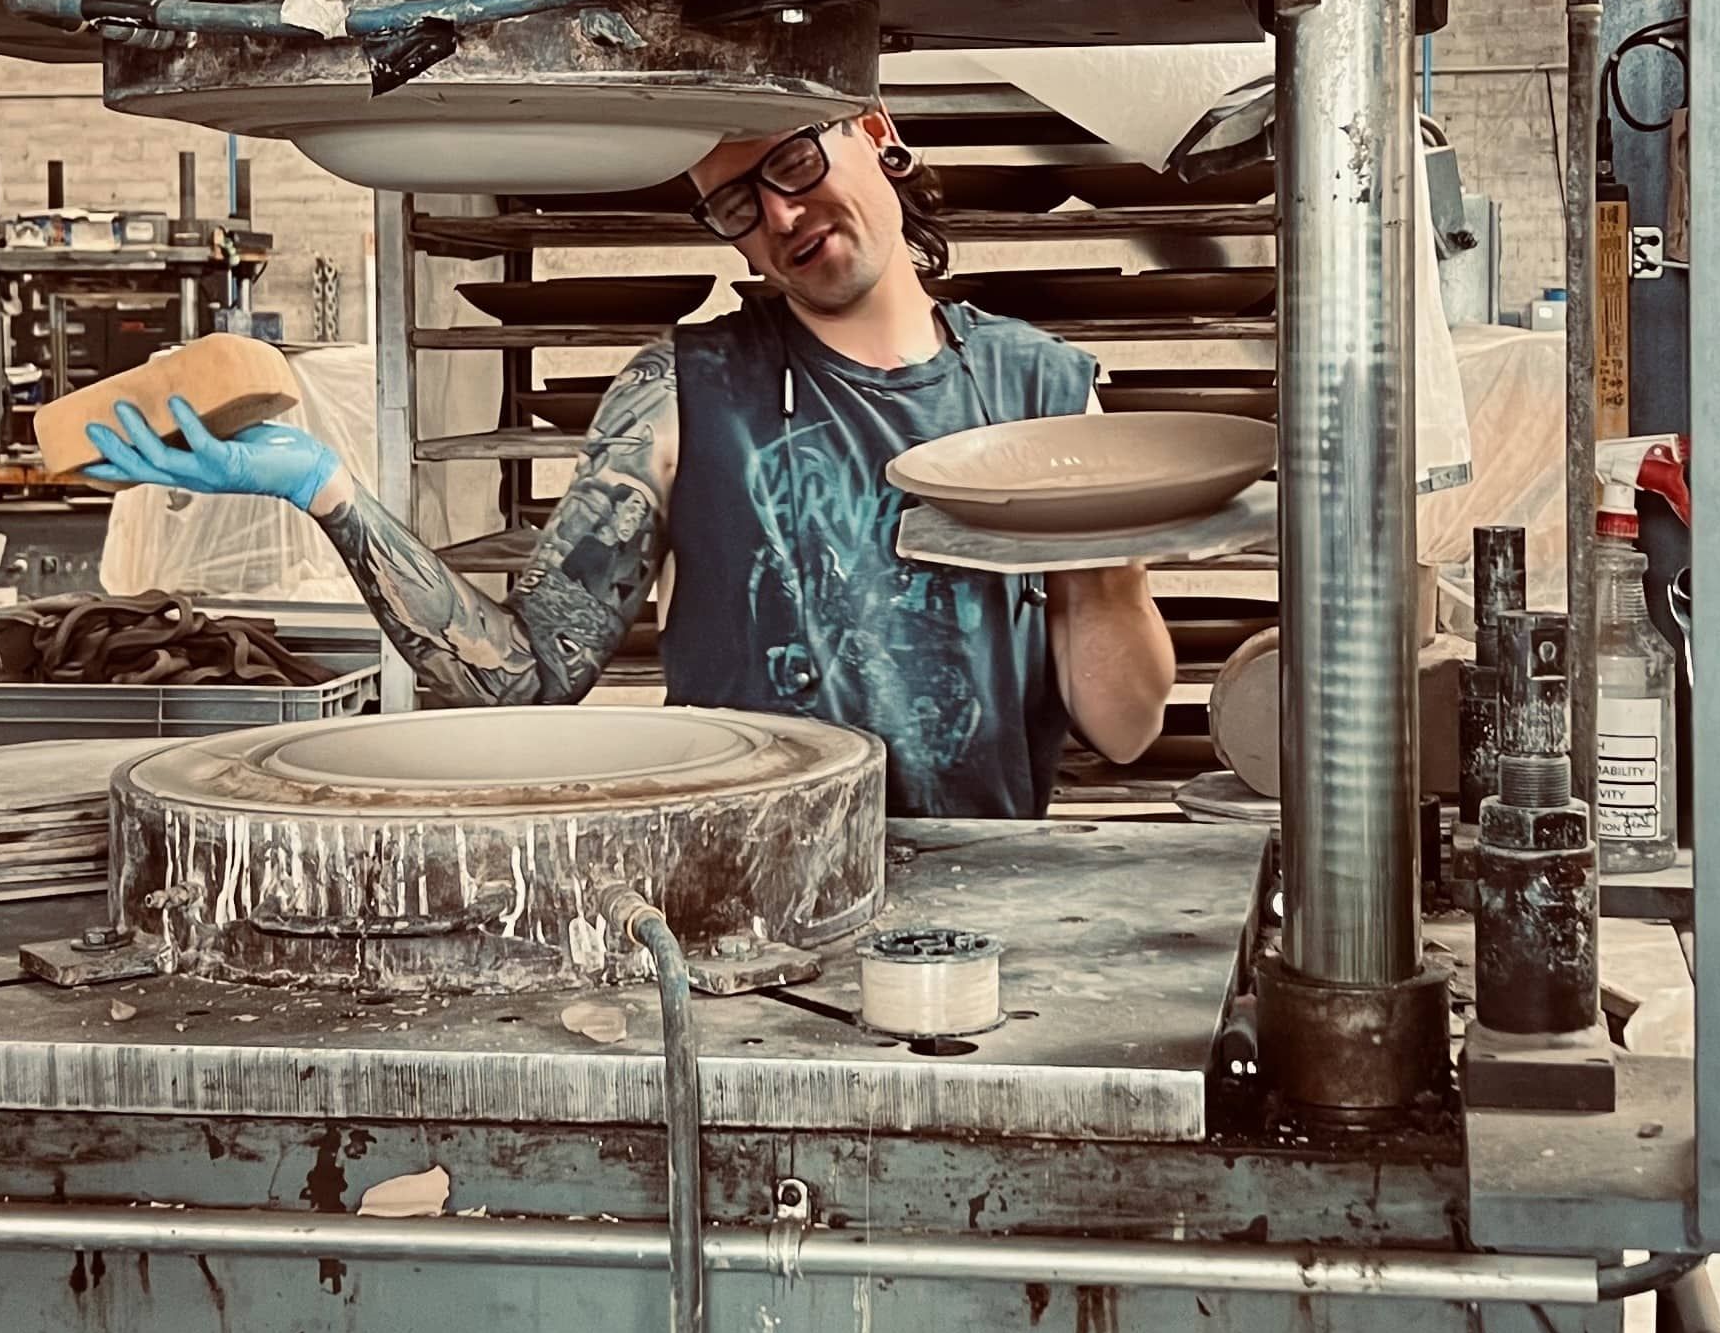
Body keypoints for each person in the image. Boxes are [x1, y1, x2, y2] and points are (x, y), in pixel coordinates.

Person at [80, 111, 1177, 818]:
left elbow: (1125, 731)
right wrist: (326, 490)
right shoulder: (683, 392)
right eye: (739, 207)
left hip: (984, 893)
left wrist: (1100, 548)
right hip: (746, 897)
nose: (785, 214)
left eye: (795, 162)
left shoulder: (1045, 390)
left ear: (874, 131)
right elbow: (521, 675)